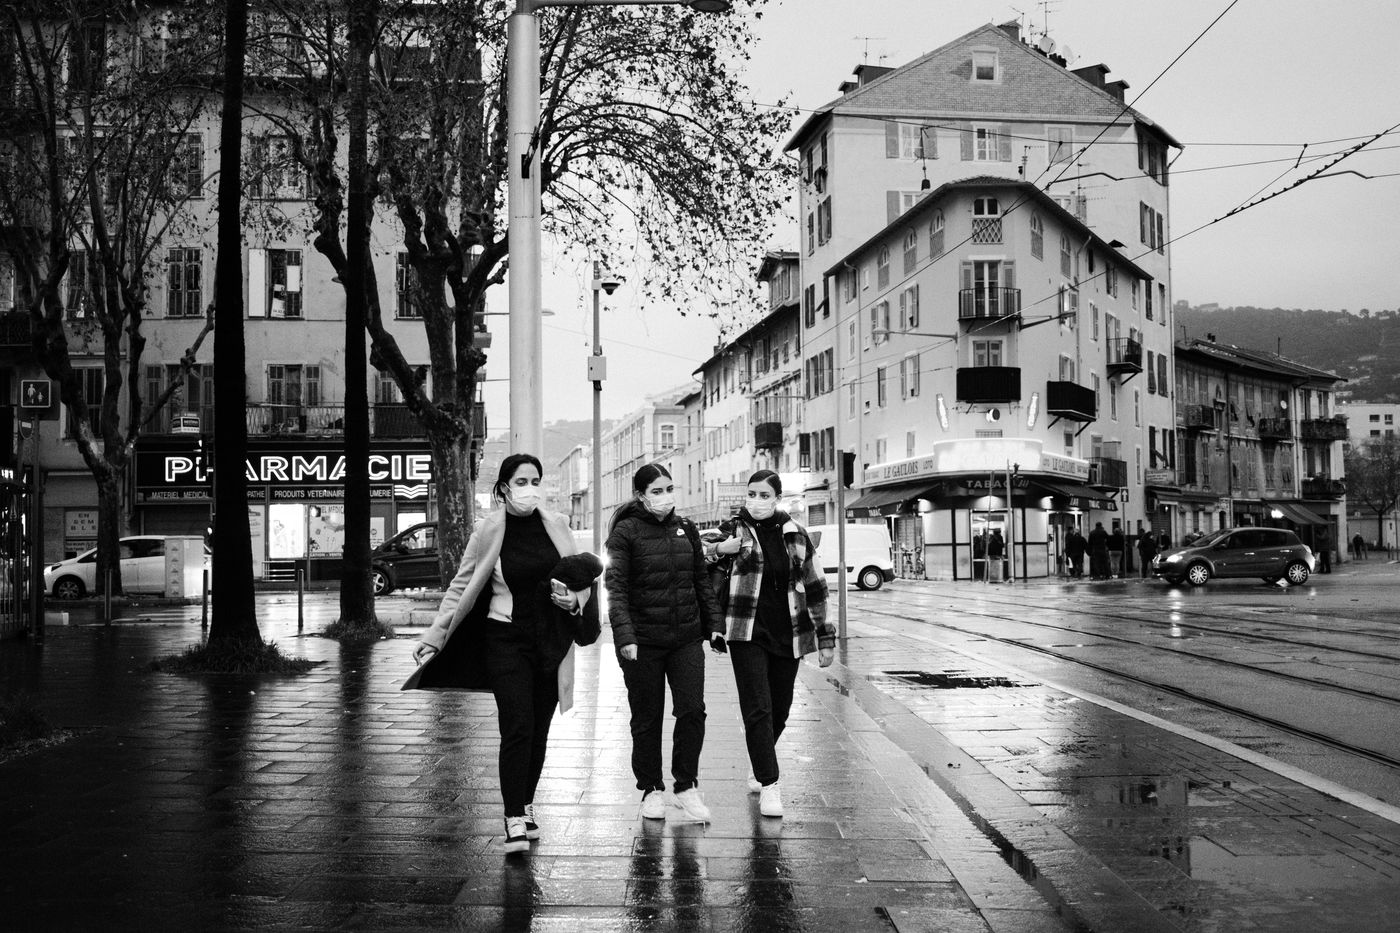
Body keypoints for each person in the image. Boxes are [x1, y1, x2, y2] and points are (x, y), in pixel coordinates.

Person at [404, 454, 596, 855]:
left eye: (536, 480)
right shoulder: (488, 530)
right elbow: (461, 586)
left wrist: (574, 600)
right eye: (521, 481)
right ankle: (512, 817)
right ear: (504, 488)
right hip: (504, 639)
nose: (530, 488)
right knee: (517, 724)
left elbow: (581, 581)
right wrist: (436, 635)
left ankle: (526, 805)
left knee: (539, 728)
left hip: (549, 642)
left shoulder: (558, 525)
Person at [709, 470, 833, 819]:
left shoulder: (795, 534)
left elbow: (816, 586)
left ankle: (760, 757)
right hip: (746, 631)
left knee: (781, 709)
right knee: (758, 708)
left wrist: (825, 637)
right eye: (752, 494)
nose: (756, 501)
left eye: (764, 495)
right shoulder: (733, 530)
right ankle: (769, 783)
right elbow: (694, 554)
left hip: (789, 634)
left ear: (778, 498)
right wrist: (719, 548)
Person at [606, 463, 723, 824]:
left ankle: (685, 786)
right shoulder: (625, 532)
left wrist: (714, 625)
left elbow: (701, 581)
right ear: (640, 496)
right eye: (657, 491)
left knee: (692, 710)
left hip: (685, 637)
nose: (665, 497)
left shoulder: (685, 528)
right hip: (642, 642)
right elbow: (616, 588)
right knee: (647, 716)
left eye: (669, 489)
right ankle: (651, 789)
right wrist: (625, 636)